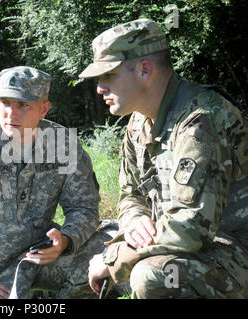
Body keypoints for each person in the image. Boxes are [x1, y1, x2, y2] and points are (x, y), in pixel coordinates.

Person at [82, 19, 247, 298]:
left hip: (233, 249)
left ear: (145, 70)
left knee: (154, 277)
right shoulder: (138, 123)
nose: (99, 87)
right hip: (195, 249)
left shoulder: (200, 121)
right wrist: (136, 221)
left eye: (108, 75)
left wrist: (114, 259)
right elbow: (129, 194)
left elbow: (188, 229)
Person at [0, 66, 119, 299]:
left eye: (23, 105)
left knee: (111, 247)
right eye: (5, 102)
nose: (11, 113)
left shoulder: (63, 145)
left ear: (43, 109)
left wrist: (65, 240)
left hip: (39, 257)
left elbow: (84, 208)